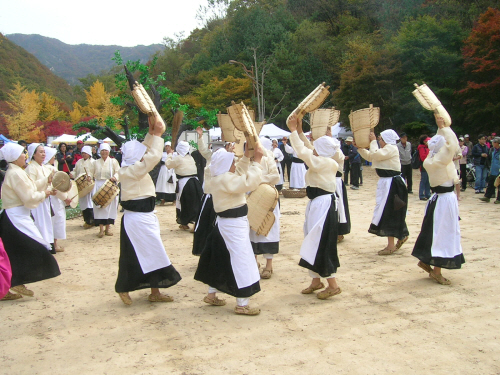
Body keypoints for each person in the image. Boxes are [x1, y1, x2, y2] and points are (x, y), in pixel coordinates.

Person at [114, 115, 182, 305]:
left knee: (154, 254)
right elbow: (151, 159)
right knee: (133, 256)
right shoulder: (129, 171)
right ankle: (124, 288)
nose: (144, 153)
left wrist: (152, 131)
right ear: (135, 156)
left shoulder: (133, 165)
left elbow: (145, 147)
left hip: (145, 217)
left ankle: (155, 291)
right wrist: (159, 135)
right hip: (136, 220)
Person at [194, 145, 264, 315]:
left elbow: (238, 172)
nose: (235, 164)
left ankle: (211, 295)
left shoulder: (219, 177)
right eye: (232, 161)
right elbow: (248, 181)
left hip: (226, 224)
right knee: (242, 261)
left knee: (220, 259)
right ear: (225, 166)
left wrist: (247, 156)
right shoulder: (225, 179)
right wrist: (258, 162)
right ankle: (242, 304)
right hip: (233, 226)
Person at [288, 114, 341, 299]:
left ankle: (332, 284)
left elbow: (304, 152)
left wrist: (294, 132)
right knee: (312, 239)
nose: (314, 148)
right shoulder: (325, 159)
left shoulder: (324, 162)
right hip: (318, 203)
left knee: (320, 242)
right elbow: (310, 148)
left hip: (323, 205)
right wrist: (301, 132)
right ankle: (316, 280)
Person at [0, 142, 60, 300]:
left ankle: (12, 283)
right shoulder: (15, 173)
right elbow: (28, 197)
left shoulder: (16, 171)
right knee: (28, 248)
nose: (24, 156)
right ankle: (15, 282)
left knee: (14, 253)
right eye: (22, 154)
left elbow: (31, 185)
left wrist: (46, 181)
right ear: (14, 157)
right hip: (15, 218)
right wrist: (45, 193)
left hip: (17, 216)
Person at [412, 116, 464, 285]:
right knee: (442, 234)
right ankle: (436, 270)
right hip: (444, 200)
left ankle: (427, 260)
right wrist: (444, 127)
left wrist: (440, 129)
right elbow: (452, 145)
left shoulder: (430, 160)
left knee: (433, 231)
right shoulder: (441, 159)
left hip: (439, 199)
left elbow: (445, 146)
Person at [358, 130, 409, 255]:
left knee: (389, 212)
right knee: (389, 212)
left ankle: (391, 244)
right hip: (387, 183)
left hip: (393, 184)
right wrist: (359, 148)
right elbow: (371, 156)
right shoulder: (385, 150)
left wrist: (373, 141)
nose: (379, 141)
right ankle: (401, 235)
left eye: (381, 139)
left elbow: (374, 154)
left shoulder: (391, 148)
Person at [250, 137, 280, 279]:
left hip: (268, 197)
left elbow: (275, 177)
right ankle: (254, 262)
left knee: (268, 229)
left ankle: (269, 265)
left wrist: (258, 181)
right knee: (252, 229)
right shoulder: (248, 157)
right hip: (251, 197)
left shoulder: (269, 158)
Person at [165, 141, 203, 231]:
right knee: (195, 202)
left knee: (186, 203)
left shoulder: (178, 158)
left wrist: (169, 155)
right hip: (195, 182)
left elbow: (168, 165)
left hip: (185, 183)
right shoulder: (190, 158)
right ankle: (187, 223)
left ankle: (187, 222)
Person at [25, 143, 56, 254]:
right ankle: (40, 249)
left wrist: (52, 189)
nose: (43, 154)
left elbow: (50, 182)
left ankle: (47, 247)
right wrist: (46, 181)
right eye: (41, 152)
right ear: (34, 154)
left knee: (46, 225)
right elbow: (31, 186)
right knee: (39, 225)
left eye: (44, 152)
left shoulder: (43, 167)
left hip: (45, 201)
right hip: (36, 202)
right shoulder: (31, 168)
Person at [192, 127, 217, 256]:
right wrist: (200, 137)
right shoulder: (210, 156)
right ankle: (204, 250)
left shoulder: (231, 160)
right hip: (208, 195)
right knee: (204, 225)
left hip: (221, 197)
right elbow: (202, 150)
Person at [45, 146, 71, 252]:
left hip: (49, 198)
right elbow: (57, 187)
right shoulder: (50, 169)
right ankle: (54, 244)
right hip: (53, 199)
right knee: (55, 220)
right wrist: (65, 198)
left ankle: (51, 244)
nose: (54, 158)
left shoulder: (46, 167)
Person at [92, 143, 120, 238]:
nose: (104, 152)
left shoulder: (113, 161)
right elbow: (91, 173)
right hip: (98, 185)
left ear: (109, 151)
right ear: (100, 151)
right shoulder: (95, 162)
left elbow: (118, 172)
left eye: (106, 150)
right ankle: (101, 230)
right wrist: (89, 177)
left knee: (110, 207)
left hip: (110, 185)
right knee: (100, 207)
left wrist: (115, 177)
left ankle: (107, 229)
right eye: (102, 150)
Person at [72, 145, 95, 228]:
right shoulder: (79, 162)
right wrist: (72, 174)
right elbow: (75, 171)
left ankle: (91, 221)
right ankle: (87, 220)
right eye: (83, 153)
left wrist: (90, 176)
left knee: (89, 203)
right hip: (81, 187)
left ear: (89, 153)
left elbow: (94, 172)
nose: (84, 155)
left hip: (89, 186)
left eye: (85, 153)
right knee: (83, 204)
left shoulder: (93, 162)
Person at [479, 137, 500, 203]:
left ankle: (499, 199)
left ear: (497, 143)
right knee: (490, 184)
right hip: (493, 170)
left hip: (499, 170)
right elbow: (489, 159)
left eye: (494, 142)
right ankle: (487, 197)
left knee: (499, 185)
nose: (492, 143)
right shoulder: (492, 150)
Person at [155, 142, 177, 206]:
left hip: (172, 170)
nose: (167, 147)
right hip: (164, 171)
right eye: (166, 146)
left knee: (173, 185)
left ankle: (174, 200)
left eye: (168, 146)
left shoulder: (175, 154)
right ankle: (163, 200)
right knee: (163, 185)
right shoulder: (162, 154)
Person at [418, 135, 431, 200]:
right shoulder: (421, 148)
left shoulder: (427, 147)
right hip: (424, 165)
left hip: (428, 165)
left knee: (428, 180)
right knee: (424, 180)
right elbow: (423, 157)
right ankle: (421, 194)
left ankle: (428, 194)